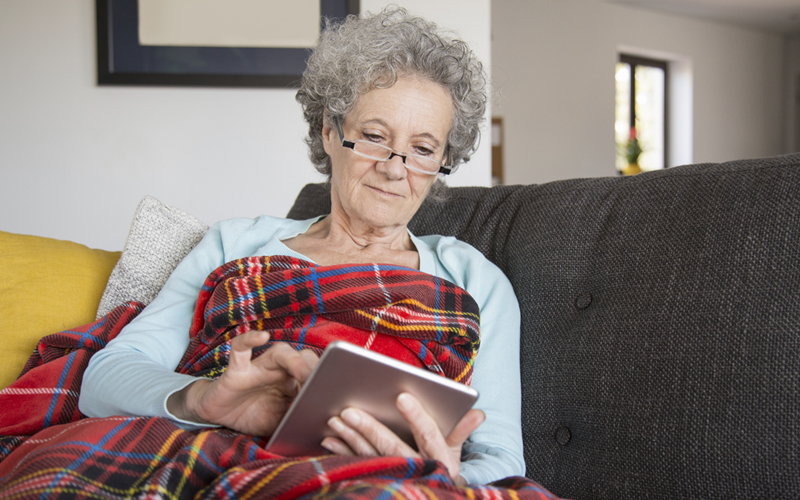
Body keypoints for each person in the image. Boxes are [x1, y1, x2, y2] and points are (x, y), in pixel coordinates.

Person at [79, 7, 524, 487]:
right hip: (212, 453)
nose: (396, 169)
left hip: (395, 483)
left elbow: (500, 455)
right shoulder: (236, 243)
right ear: (331, 132)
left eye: (422, 149)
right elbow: (104, 379)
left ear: (442, 160)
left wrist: (445, 478)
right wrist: (203, 399)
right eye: (374, 137)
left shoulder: (475, 280)